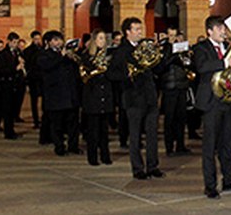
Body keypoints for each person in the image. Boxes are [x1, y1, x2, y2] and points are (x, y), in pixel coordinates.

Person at [193, 16, 231, 198]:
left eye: (224, 29)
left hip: (228, 101)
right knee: (210, 146)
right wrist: (226, 63)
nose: (223, 32)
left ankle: (229, 180)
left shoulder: (230, 48)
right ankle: (210, 185)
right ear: (209, 31)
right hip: (211, 102)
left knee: (227, 144)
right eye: (219, 29)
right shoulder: (201, 48)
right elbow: (202, 67)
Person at [108, 17, 166, 180]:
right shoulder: (121, 51)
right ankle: (138, 168)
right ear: (128, 32)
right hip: (133, 97)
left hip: (150, 96)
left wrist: (160, 54)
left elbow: (159, 68)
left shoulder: (145, 46)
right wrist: (127, 74)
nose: (140, 32)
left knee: (152, 134)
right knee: (135, 135)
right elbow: (111, 73)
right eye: (137, 29)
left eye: (141, 29)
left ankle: (153, 166)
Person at [39, 30, 81, 156]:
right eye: (55, 40)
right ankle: (59, 147)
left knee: (73, 123)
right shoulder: (44, 55)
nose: (59, 42)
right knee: (56, 124)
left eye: (60, 40)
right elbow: (47, 67)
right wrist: (61, 56)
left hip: (70, 95)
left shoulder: (68, 56)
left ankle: (73, 146)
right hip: (55, 96)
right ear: (48, 42)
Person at [81, 29, 114, 165]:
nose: (103, 41)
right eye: (100, 38)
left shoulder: (108, 56)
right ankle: (92, 157)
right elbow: (85, 76)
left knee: (104, 131)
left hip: (105, 95)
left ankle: (105, 156)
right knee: (93, 131)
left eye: (104, 38)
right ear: (94, 40)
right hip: (92, 96)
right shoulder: (87, 57)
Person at [159, 27, 192, 156]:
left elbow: (188, 63)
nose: (173, 37)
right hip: (169, 86)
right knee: (170, 119)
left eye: (174, 35)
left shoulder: (181, 48)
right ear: (167, 35)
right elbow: (163, 65)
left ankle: (180, 145)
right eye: (170, 35)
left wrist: (185, 54)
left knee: (181, 118)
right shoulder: (164, 48)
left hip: (181, 85)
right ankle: (169, 146)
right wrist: (172, 51)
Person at [0, 32, 24, 139]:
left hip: (15, 85)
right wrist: (15, 69)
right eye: (14, 42)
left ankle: (11, 129)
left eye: (17, 42)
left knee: (13, 109)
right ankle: (8, 132)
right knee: (7, 110)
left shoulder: (16, 53)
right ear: (9, 41)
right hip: (7, 85)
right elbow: (2, 70)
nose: (16, 44)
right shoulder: (3, 54)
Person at [23, 30, 43, 129]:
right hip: (33, 79)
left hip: (43, 79)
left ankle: (44, 119)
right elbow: (27, 64)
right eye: (36, 39)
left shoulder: (43, 49)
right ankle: (36, 120)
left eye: (39, 39)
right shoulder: (28, 51)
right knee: (34, 101)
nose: (38, 41)